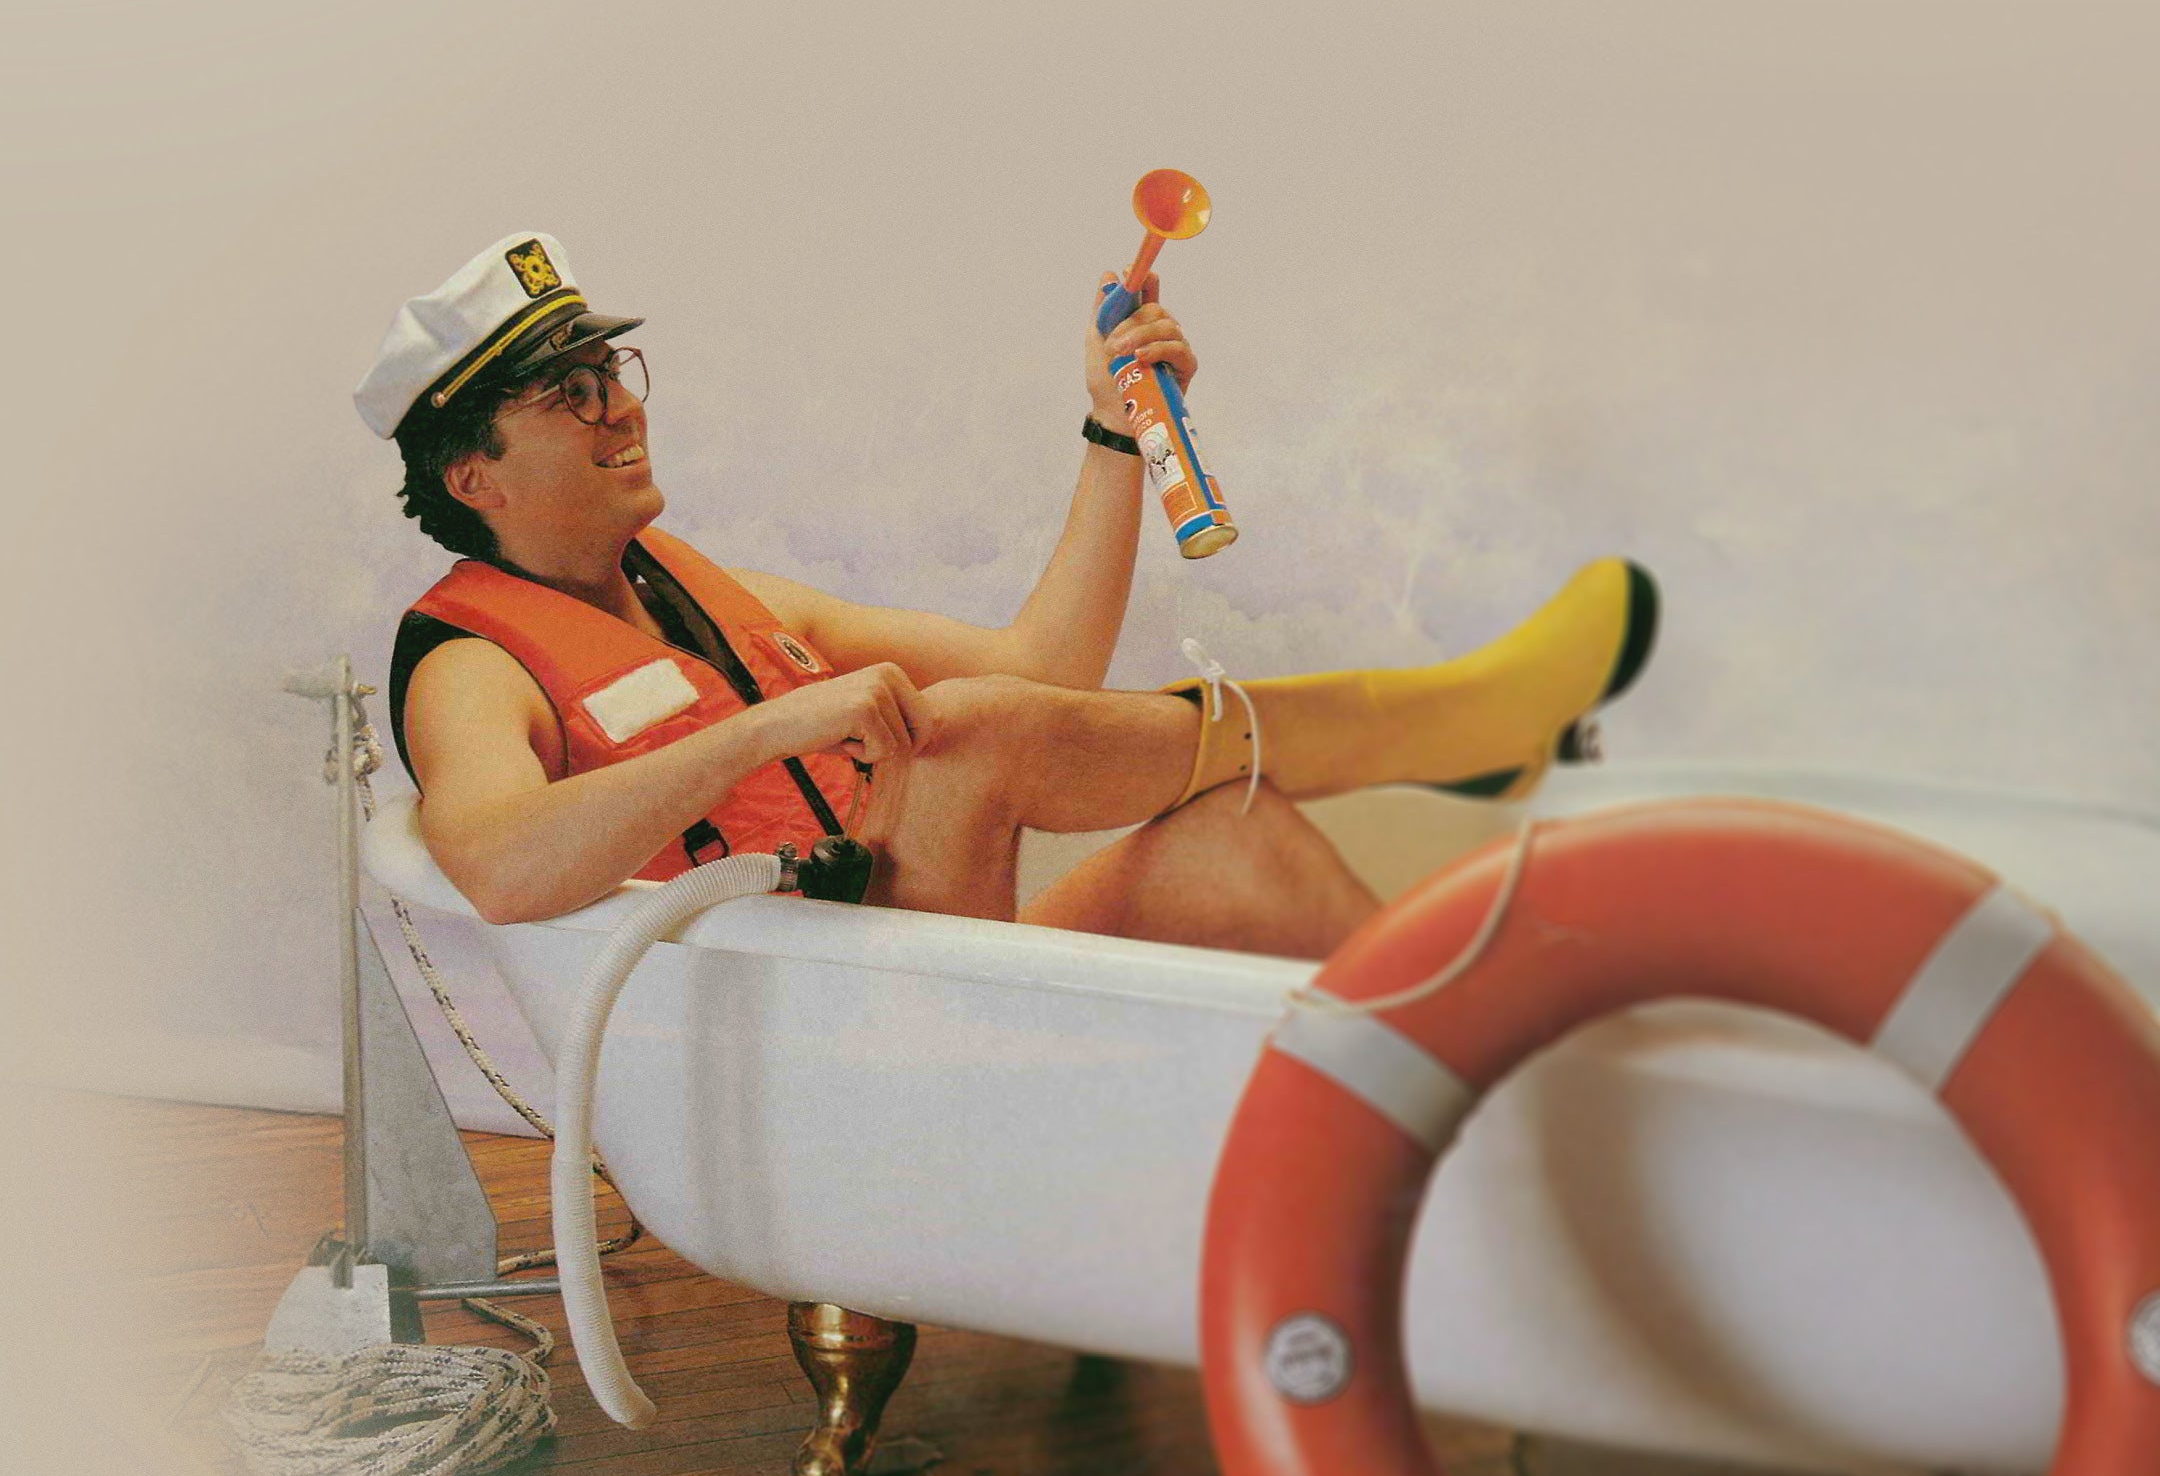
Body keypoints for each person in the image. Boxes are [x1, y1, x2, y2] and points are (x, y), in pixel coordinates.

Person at [356, 233, 1656, 960]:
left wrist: (1113, 429)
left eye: (615, 371)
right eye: (567, 393)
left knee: (1227, 844)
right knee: (966, 734)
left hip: (892, 974)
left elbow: (1047, 671)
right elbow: (499, 869)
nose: (619, 408)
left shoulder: (716, 598)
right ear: (476, 476)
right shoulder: (473, 663)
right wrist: (764, 733)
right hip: (773, 1045)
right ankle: (1466, 729)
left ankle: (1479, 1067)